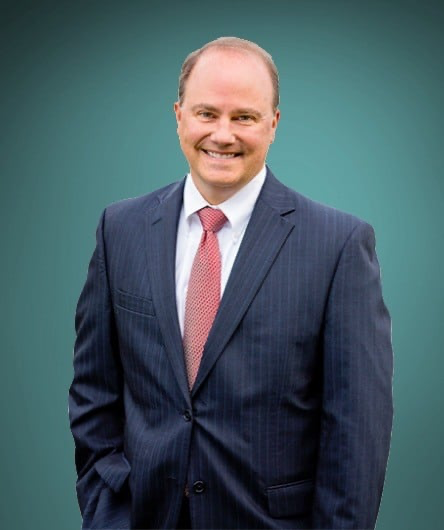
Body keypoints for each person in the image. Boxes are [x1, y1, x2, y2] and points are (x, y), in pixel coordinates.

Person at [69, 37, 393, 530]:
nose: (223, 134)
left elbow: (357, 432)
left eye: (243, 117)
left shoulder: (339, 245)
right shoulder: (121, 229)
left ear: (273, 125)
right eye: (206, 113)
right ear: (178, 115)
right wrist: (106, 509)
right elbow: (95, 392)